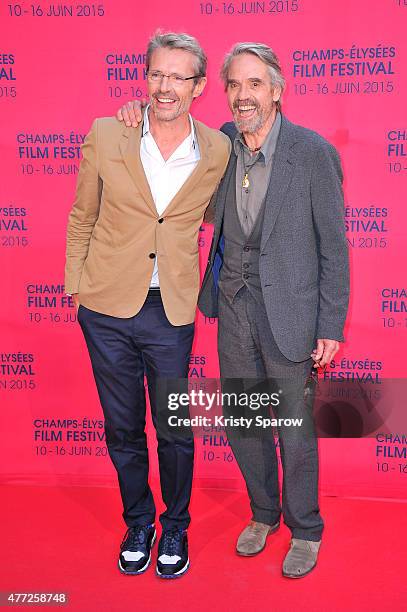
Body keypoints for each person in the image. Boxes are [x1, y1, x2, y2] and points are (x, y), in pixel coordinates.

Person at [118, 41, 349, 578]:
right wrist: (135, 113)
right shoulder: (219, 143)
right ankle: (264, 513)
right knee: (245, 423)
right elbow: (165, 137)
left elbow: (333, 248)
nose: (242, 96)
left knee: (293, 427)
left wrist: (330, 325)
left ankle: (306, 527)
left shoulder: (312, 153)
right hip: (233, 306)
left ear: (276, 92)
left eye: (254, 85)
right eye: (234, 85)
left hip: (291, 313)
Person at [65, 31, 230, 579]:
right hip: (106, 308)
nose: (165, 86)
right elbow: (82, 214)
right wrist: (77, 288)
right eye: (157, 74)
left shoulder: (217, 150)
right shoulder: (109, 132)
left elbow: (216, 217)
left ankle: (175, 526)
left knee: (174, 427)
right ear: (146, 76)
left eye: (178, 77)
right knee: (122, 427)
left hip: (171, 310)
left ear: (199, 86)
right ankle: (138, 521)